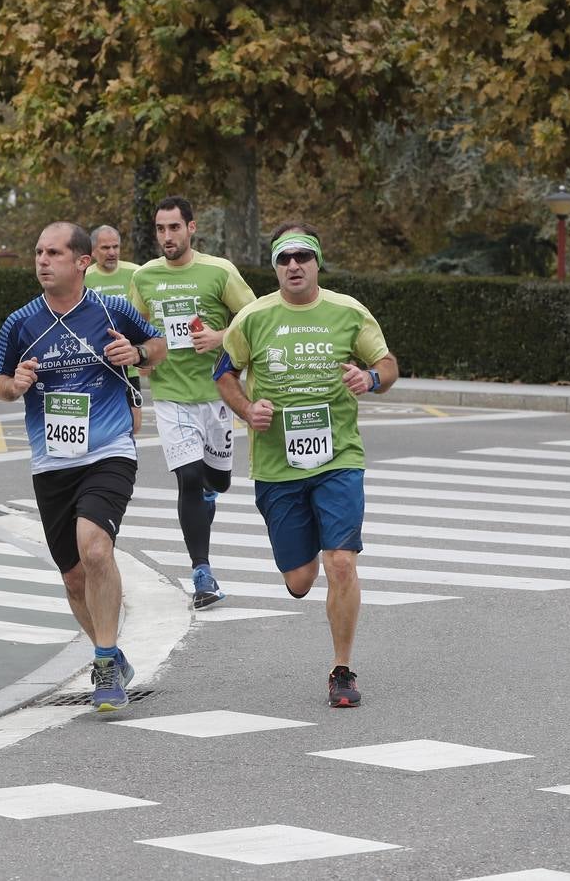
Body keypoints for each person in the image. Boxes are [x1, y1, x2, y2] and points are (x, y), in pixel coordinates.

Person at [215, 222, 398, 707]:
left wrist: (371, 380)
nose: (293, 265)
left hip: (339, 457)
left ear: (317, 262)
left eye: (303, 256)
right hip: (277, 465)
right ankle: (315, 537)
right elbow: (224, 374)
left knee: (340, 562)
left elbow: (387, 363)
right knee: (299, 582)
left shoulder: (347, 312)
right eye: (283, 258)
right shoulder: (253, 318)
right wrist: (247, 410)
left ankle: (342, 670)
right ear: (275, 266)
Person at [0, 221, 165, 712]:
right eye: (38, 252)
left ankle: (105, 664)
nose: (43, 261)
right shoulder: (21, 322)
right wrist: (15, 384)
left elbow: (159, 348)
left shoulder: (112, 310)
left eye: (54, 253)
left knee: (95, 548)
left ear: (82, 261)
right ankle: (110, 651)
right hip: (52, 462)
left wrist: (138, 353)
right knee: (73, 577)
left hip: (109, 449)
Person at [128, 195, 256, 610]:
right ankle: (202, 573)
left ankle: (211, 492)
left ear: (191, 228)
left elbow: (257, 319)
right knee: (187, 478)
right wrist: (143, 355)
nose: (167, 236)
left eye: (174, 228)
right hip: (171, 397)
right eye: (161, 229)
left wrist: (221, 338)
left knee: (215, 482)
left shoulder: (219, 271)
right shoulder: (145, 277)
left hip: (216, 395)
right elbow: (134, 330)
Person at [86, 224, 143, 435]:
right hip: (95, 365)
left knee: (134, 426)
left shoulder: (136, 273)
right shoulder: (83, 277)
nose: (111, 253)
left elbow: (148, 315)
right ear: (92, 251)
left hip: (128, 364)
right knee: (97, 423)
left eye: (115, 247)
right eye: (105, 248)